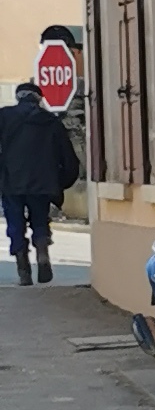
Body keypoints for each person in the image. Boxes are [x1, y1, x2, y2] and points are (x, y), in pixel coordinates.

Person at [0, 80, 83, 285]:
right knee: (39, 220)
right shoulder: (51, 121)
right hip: (43, 182)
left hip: (11, 181)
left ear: (18, 97)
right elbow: (68, 157)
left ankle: (23, 268)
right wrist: (60, 182)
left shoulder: (4, 117)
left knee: (15, 223)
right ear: (39, 99)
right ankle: (42, 253)